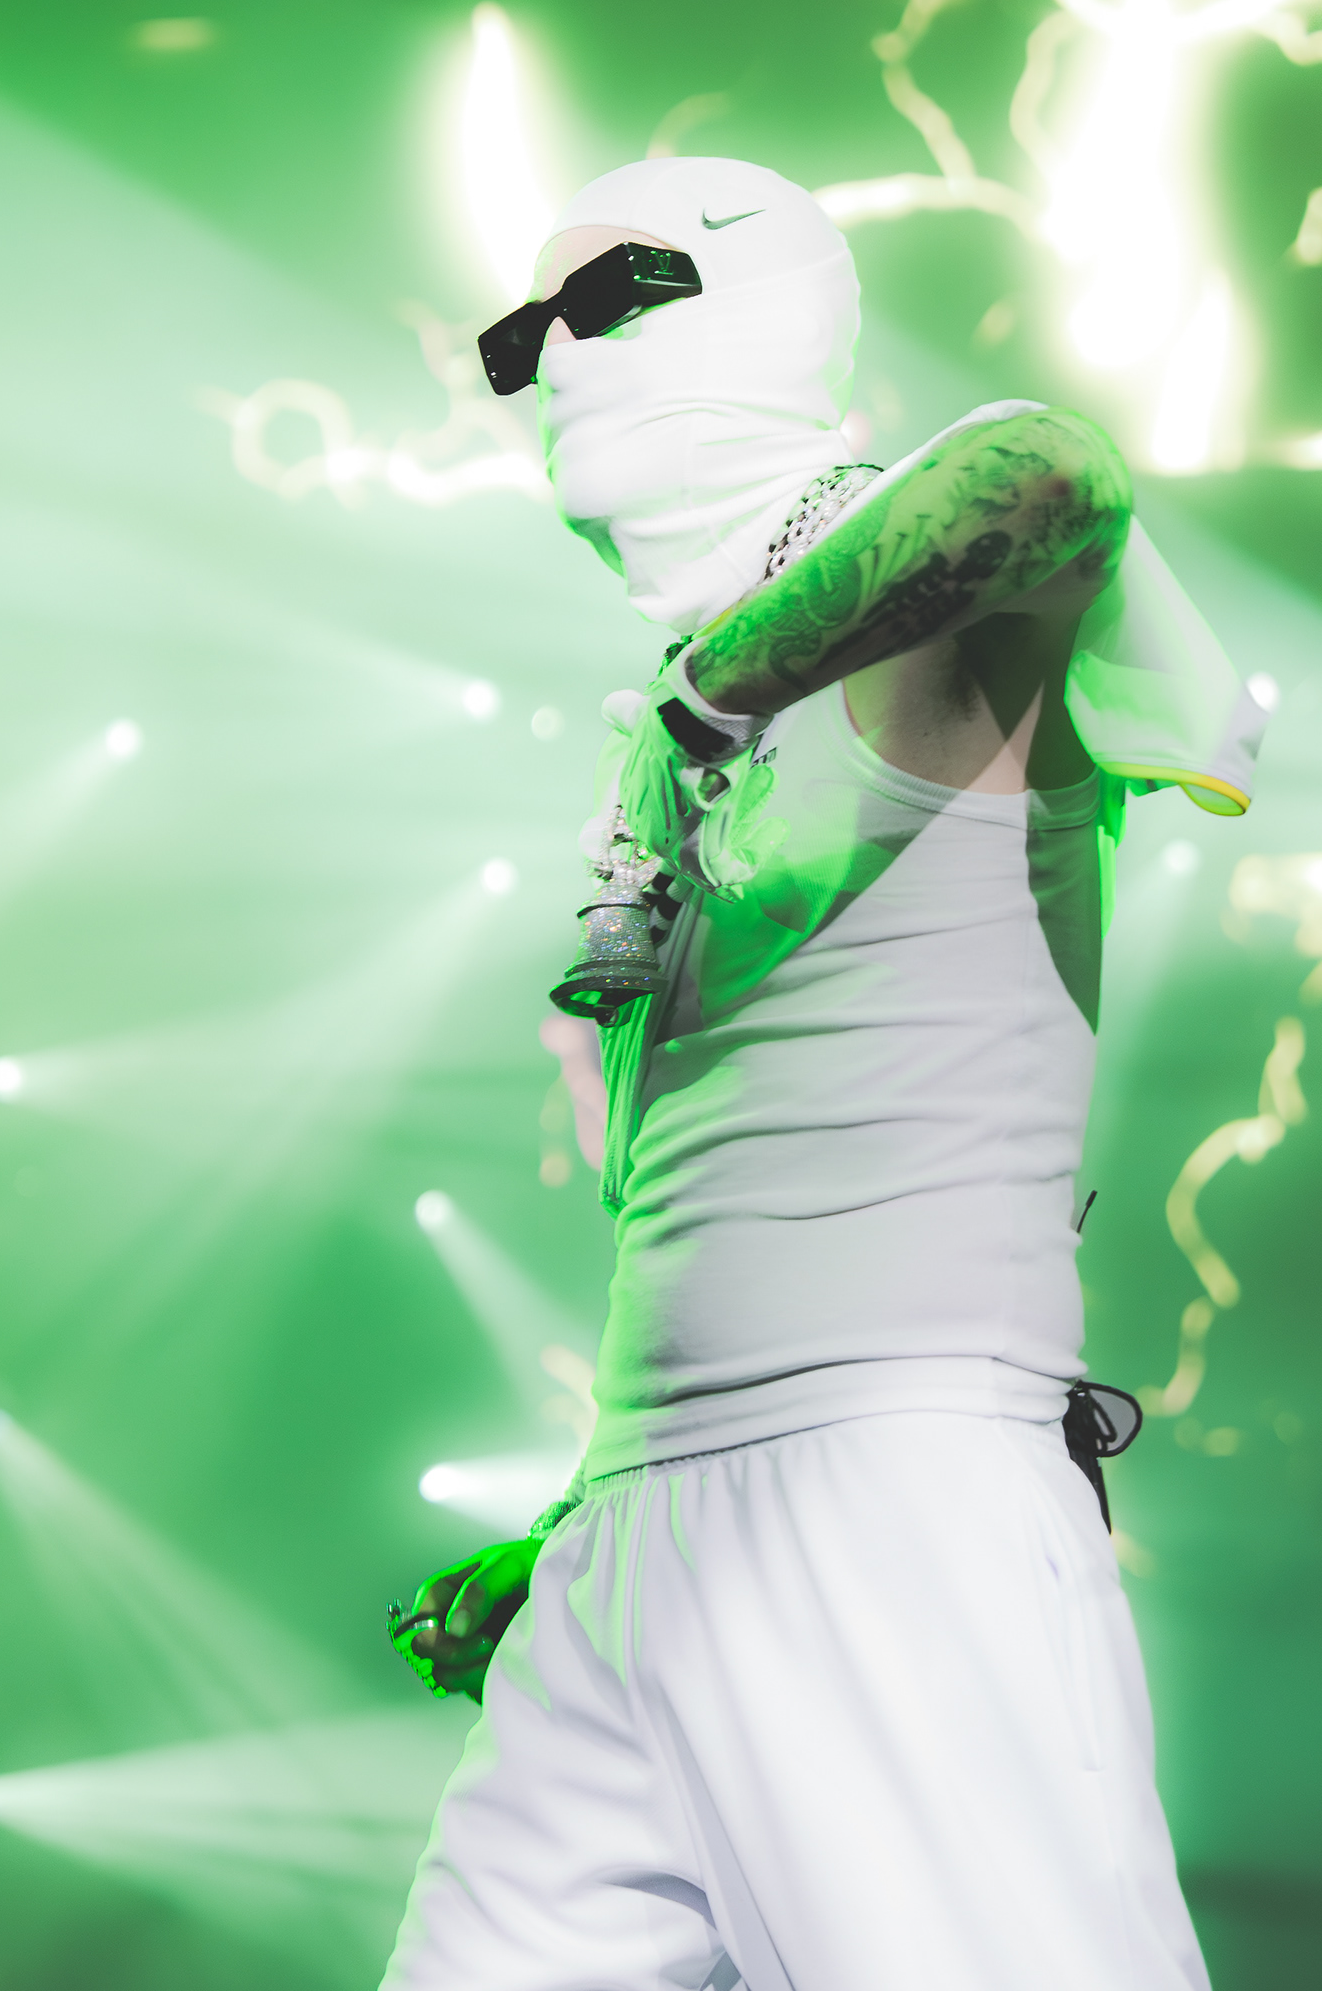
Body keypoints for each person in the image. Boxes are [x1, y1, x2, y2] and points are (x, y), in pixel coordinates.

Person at [381, 157, 1263, 1991]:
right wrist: (584, 1524)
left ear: (765, 301)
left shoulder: (923, 625)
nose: (554, 356)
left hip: (893, 1494)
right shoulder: (655, 745)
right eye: (521, 335)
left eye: (609, 297)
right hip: (638, 1535)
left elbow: (1049, 475)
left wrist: (720, 686)